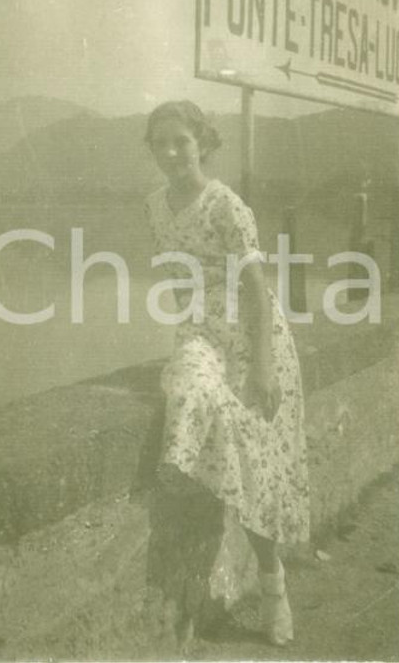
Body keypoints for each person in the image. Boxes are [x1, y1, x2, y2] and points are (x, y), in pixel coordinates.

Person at [143, 100, 310, 646]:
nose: (169, 153)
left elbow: (258, 295)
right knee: (185, 387)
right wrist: (190, 330)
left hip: (252, 337)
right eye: (159, 142)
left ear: (203, 143)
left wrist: (261, 367)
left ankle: (273, 588)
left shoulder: (226, 207)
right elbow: (176, 281)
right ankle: (178, 471)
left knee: (256, 463)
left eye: (180, 142)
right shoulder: (154, 206)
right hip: (200, 331)